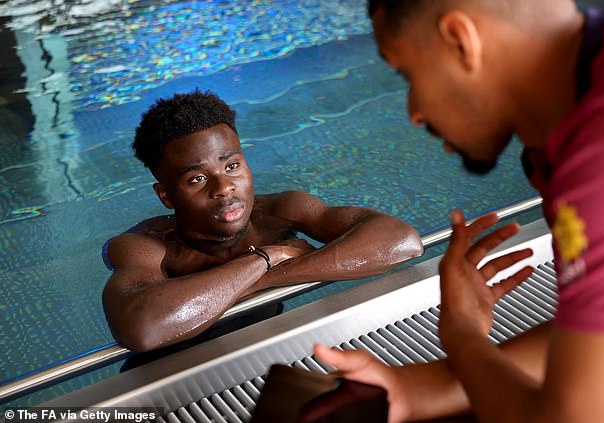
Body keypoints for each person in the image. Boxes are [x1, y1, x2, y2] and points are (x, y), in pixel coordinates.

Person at [315, 1, 604, 422]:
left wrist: (462, 334)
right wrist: (417, 389)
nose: (413, 112)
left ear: (461, 41)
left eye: (408, 74)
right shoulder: (594, 80)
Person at [102, 90, 424, 352]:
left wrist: (264, 279)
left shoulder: (280, 211)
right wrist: (267, 258)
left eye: (231, 167)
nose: (224, 187)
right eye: (198, 178)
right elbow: (142, 328)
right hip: (167, 378)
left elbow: (401, 241)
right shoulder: (145, 246)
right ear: (167, 197)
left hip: (270, 351)